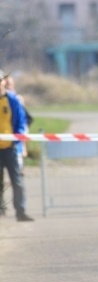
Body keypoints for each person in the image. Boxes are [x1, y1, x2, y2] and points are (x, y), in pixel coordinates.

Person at [0, 70, 34, 221]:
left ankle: (20, 211)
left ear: (3, 82)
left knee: (17, 181)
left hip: (11, 148)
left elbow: (21, 122)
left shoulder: (12, 100)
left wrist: (16, 139)